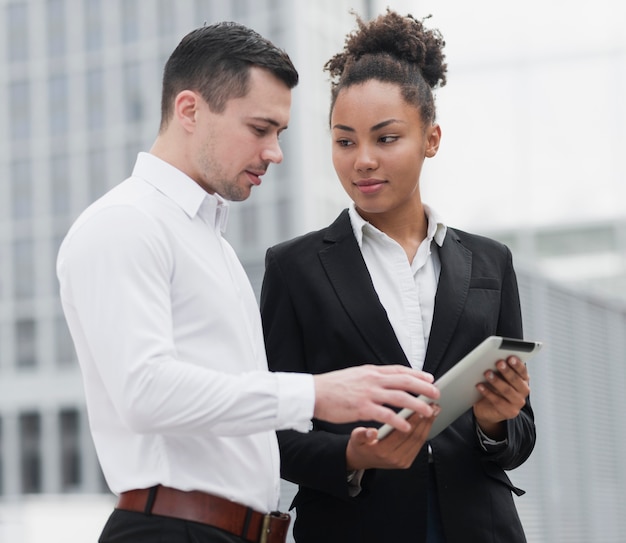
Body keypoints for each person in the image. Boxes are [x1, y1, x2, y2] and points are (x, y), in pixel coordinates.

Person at [56, 21, 441, 543]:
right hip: (172, 530)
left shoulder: (210, 241)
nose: (274, 152)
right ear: (189, 110)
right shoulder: (124, 223)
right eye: (259, 129)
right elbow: (143, 392)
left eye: (278, 134)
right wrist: (314, 395)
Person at [260, 10, 535, 543]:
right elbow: (275, 430)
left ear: (431, 139)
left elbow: (521, 437)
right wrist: (351, 454)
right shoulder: (292, 268)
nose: (362, 160)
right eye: (344, 141)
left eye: (385, 139)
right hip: (353, 527)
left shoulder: (490, 262)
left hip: (481, 529)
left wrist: (497, 421)